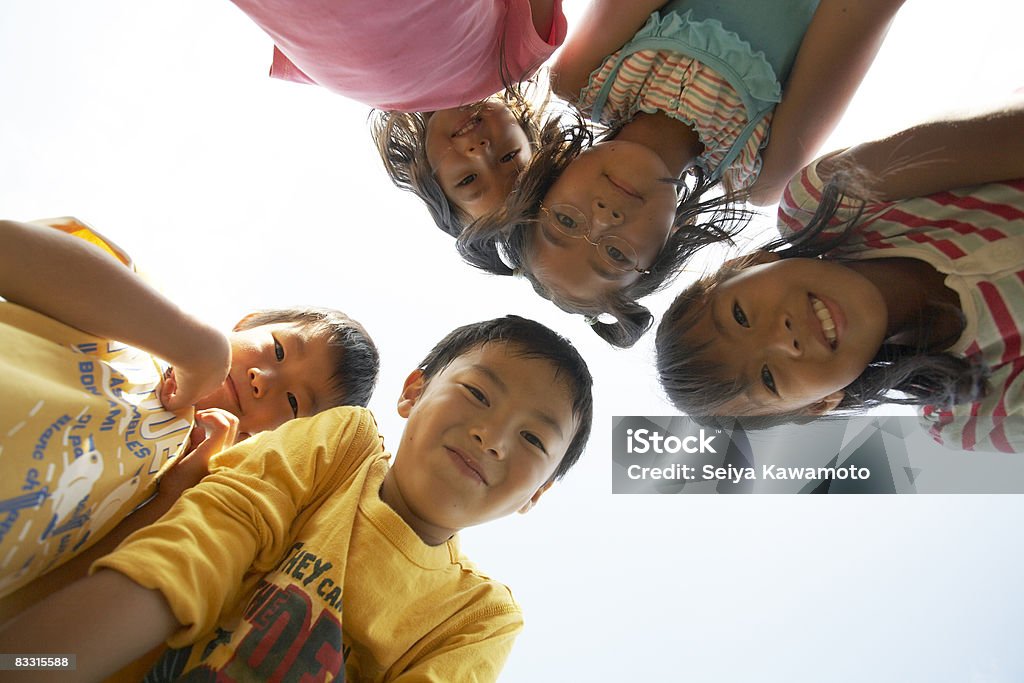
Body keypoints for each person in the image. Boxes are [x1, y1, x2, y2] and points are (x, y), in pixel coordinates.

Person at [0, 315, 595, 681]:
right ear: (413, 392)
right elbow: (198, 547)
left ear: (535, 494)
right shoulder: (344, 447)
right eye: (478, 394)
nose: (490, 439)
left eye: (533, 439)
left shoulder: (480, 618)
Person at [460, 0, 904, 347]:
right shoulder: (761, 173)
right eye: (615, 255)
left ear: (550, 180)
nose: (602, 218)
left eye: (566, 222)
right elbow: (863, 14)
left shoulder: (583, 77)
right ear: (663, 252)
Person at [0, 217, 380, 599]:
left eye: (294, 401)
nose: (263, 379)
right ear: (247, 323)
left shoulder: (189, 484)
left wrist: (169, 498)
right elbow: (11, 250)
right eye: (277, 349)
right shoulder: (136, 318)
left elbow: (61, 594)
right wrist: (194, 345)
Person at [655, 101, 1024, 452]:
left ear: (749, 263)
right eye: (768, 378)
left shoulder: (831, 200)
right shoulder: (965, 415)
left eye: (740, 316)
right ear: (821, 404)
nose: (784, 339)